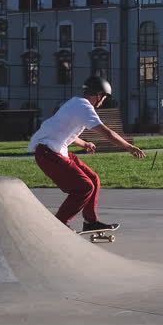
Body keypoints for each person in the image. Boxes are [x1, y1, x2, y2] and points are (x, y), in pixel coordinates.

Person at [29, 76, 144, 231]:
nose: (102, 101)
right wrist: (129, 147)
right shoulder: (84, 106)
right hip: (48, 153)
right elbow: (107, 133)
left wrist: (85, 143)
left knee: (93, 179)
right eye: (103, 97)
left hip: (55, 151)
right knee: (84, 187)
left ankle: (90, 222)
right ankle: (59, 224)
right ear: (97, 95)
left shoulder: (74, 103)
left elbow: (67, 131)